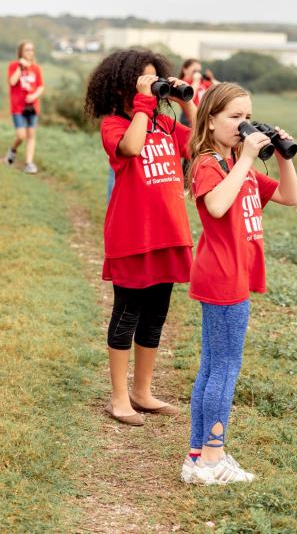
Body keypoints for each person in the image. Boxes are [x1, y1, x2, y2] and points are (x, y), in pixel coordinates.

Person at [180, 82, 297, 485]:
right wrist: (247, 157)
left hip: (232, 276)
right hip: (222, 278)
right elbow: (215, 205)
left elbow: (289, 196)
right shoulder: (208, 163)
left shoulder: (236, 165)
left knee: (213, 366)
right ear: (210, 120)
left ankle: (199, 457)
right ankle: (214, 457)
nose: (242, 125)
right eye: (234, 117)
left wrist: (282, 154)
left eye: (247, 117)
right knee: (226, 369)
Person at [85, 48, 197, 426]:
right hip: (133, 236)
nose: (152, 87)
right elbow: (132, 148)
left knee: (155, 315)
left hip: (168, 232)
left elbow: (199, 147)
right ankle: (119, 398)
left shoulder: (165, 125)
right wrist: (144, 102)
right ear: (121, 89)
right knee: (127, 313)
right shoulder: (114, 124)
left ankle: (143, 392)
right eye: (142, 80)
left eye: (155, 79)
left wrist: (186, 101)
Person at [4, 41, 44, 174]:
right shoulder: (14, 66)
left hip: (32, 107)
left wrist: (34, 96)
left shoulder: (36, 68)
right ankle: (12, 150)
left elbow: (40, 86)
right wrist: (20, 67)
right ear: (21, 52)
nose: (30, 52)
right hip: (18, 108)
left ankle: (29, 163)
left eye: (32, 50)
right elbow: (12, 81)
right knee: (21, 136)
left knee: (31, 135)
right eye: (27, 50)